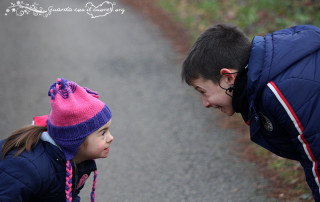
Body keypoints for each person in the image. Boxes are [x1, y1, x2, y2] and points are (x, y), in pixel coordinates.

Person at [181, 24, 320, 201]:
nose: (205, 104)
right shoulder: (266, 80)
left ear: (228, 77)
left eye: (203, 91)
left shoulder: (280, 91)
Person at [0, 78, 114, 202]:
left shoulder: (78, 160)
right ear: (75, 140)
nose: (111, 138)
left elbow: (69, 195)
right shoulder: (28, 169)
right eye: (103, 133)